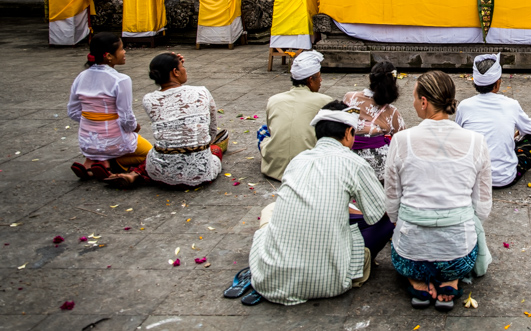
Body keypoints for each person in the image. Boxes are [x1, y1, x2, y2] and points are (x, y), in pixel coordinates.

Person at [240, 102, 393, 306]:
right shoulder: (354, 163)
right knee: (389, 219)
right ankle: (360, 258)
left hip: (269, 280)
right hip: (330, 282)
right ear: (348, 133)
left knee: (270, 210)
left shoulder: (298, 160)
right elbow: (381, 211)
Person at [384, 71, 492, 312]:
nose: (413, 103)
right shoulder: (476, 141)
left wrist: (405, 222)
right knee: (459, 253)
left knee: (408, 257)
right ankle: (450, 280)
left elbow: (392, 201)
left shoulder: (401, 140)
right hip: (458, 253)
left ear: (424, 102)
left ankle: (418, 282)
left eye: (414, 98)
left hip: (409, 254)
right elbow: (483, 206)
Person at [130, 53, 224, 187]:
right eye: (182, 66)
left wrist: (171, 62)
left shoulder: (148, 99)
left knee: (157, 150)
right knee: (216, 150)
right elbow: (212, 130)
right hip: (200, 173)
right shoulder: (201, 92)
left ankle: (135, 174)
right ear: (175, 72)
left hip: (160, 173)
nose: (185, 69)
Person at [67, 33, 151, 181]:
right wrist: (133, 127)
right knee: (150, 153)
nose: (124, 52)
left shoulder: (81, 77)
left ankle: (92, 162)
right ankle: (110, 162)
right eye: (121, 49)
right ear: (108, 56)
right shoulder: (120, 80)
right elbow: (126, 117)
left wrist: (94, 123)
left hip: (87, 141)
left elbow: (73, 111)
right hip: (114, 140)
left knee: (100, 142)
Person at [455, 54, 531, 188]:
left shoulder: (464, 106)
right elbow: (530, 129)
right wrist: (513, 137)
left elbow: (458, 136)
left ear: (475, 83)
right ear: (498, 82)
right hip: (504, 178)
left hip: (472, 180)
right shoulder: (511, 104)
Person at [260, 50, 334, 180]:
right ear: (310, 80)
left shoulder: (274, 100)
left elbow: (272, 130)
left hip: (274, 168)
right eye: (319, 76)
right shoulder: (325, 101)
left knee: (263, 132)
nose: (321, 81)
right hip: (308, 169)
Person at [343, 61, 405, 181]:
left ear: (370, 78)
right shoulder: (392, 112)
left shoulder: (349, 98)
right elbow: (402, 141)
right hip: (378, 169)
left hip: (348, 161)